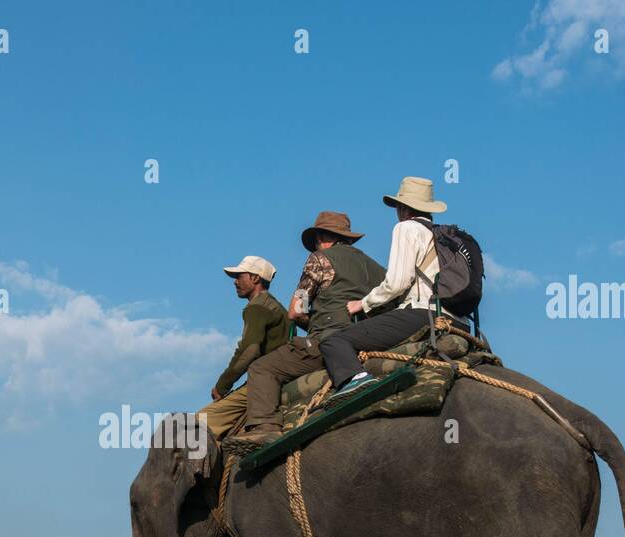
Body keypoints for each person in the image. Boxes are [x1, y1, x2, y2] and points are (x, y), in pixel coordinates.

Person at [223, 211, 386, 452]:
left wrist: (317, 324)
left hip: (328, 339)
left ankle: (264, 428)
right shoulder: (376, 268)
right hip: (368, 337)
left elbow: (296, 311)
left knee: (262, 368)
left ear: (320, 237)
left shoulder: (319, 259)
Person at [318, 176, 470, 407]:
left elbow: (397, 282)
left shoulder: (406, 228)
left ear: (402, 207)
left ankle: (356, 380)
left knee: (334, 341)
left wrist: (363, 304)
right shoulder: (443, 236)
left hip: (422, 314)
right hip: (459, 321)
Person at [198, 255, 289, 438]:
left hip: (264, 381)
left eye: (240, 276)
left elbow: (249, 351)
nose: (235, 282)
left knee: (197, 423)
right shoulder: (275, 305)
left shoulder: (256, 307)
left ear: (255, 278)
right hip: (279, 373)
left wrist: (222, 386)